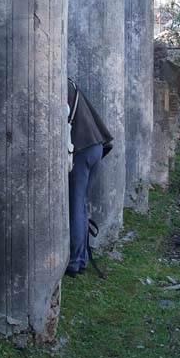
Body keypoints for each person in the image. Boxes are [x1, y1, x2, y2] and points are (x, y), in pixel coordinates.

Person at [67, 78, 112, 276]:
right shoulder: (69, 83)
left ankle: (75, 262)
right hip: (95, 147)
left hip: (82, 149)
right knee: (81, 205)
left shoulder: (59, 84)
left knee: (76, 205)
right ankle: (82, 257)